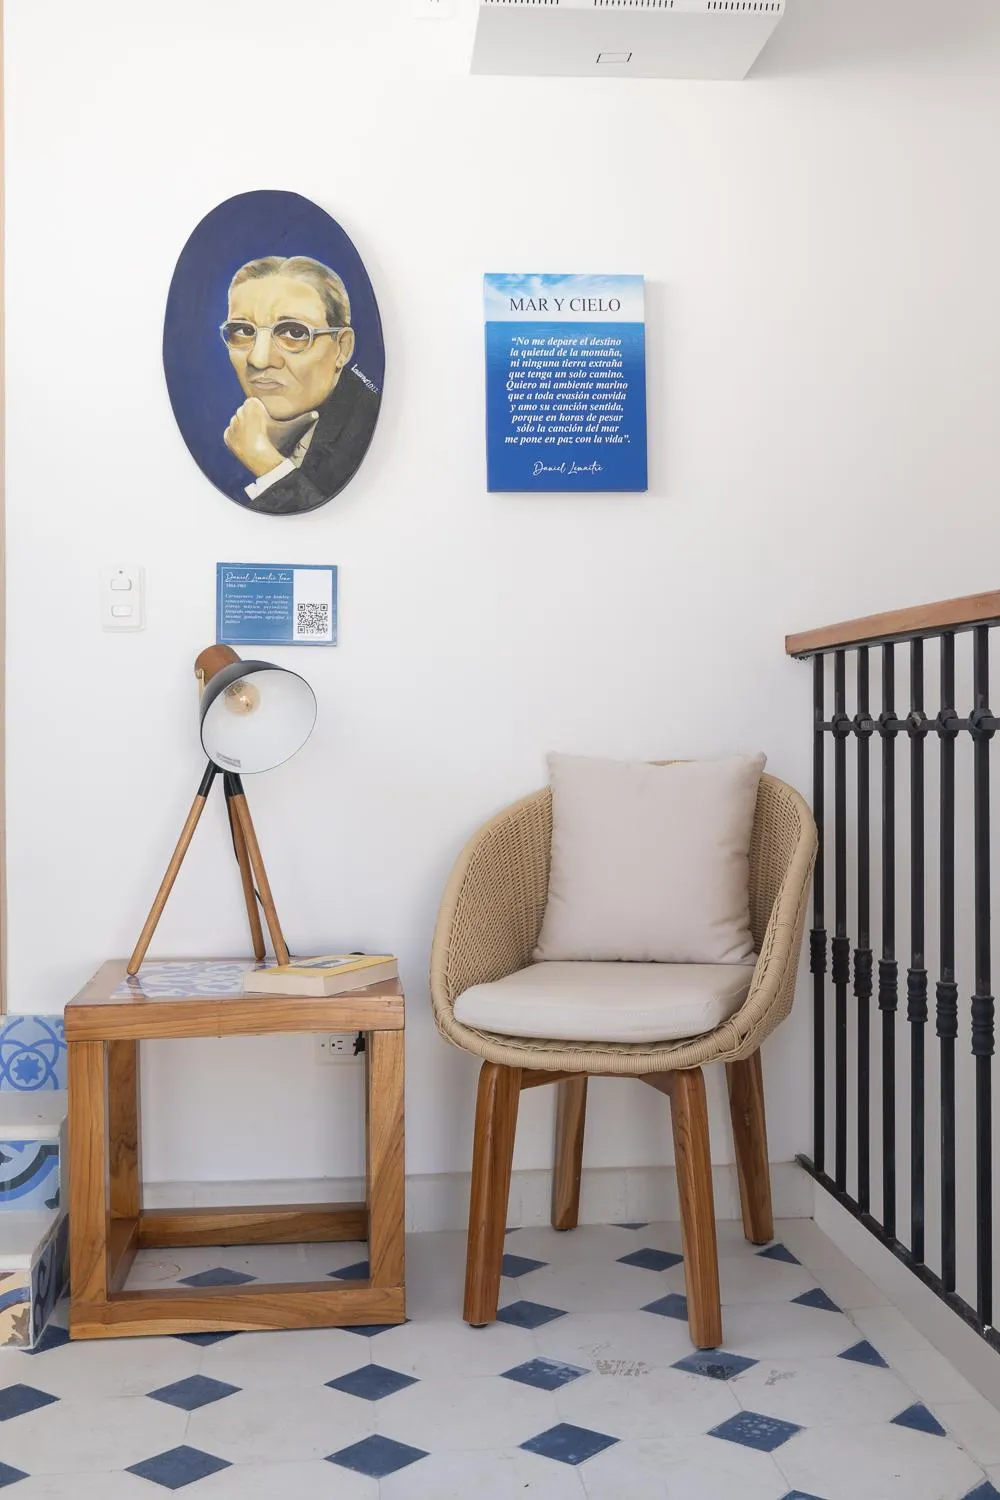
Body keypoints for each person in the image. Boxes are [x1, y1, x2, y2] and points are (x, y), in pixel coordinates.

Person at [220, 254, 381, 515]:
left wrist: (264, 460)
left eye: (294, 333)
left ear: (342, 348)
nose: (258, 360)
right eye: (244, 331)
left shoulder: (369, 430)